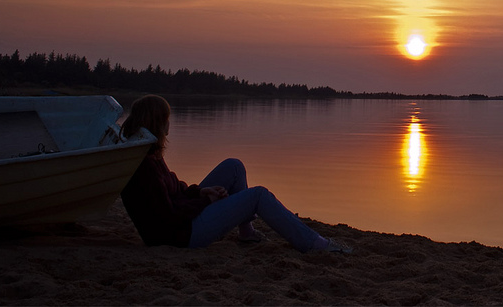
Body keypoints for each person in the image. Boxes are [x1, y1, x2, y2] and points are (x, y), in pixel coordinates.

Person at [119, 94, 351, 254]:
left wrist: (202, 191)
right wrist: (204, 201)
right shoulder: (143, 166)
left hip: (180, 224)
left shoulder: (149, 154)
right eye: (167, 119)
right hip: (179, 237)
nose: (170, 124)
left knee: (234, 166)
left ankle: (246, 231)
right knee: (258, 195)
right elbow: (167, 215)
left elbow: (174, 190)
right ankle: (315, 244)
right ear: (158, 122)